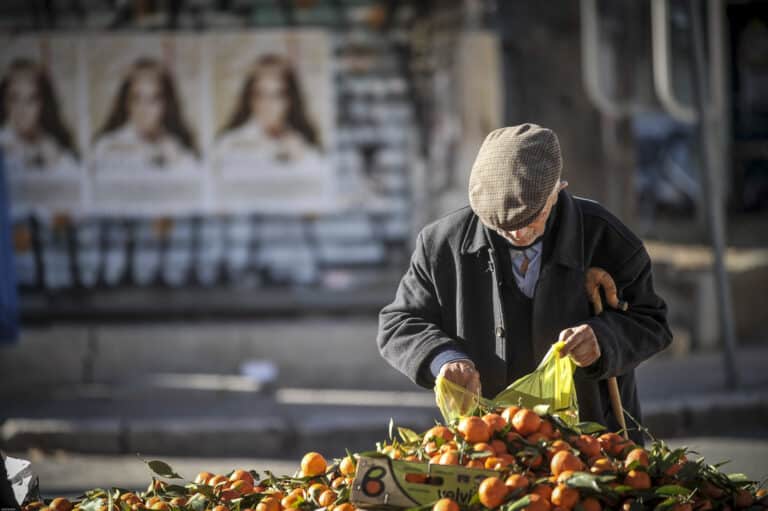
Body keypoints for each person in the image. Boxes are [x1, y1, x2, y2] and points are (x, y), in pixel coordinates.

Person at [377, 124, 672, 444]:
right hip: (488, 444)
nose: (519, 233)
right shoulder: (442, 243)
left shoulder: (603, 234)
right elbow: (399, 323)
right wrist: (444, 359)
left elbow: (652, 321)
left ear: (557, 190)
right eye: (503, 226)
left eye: (533, 217)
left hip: (592, 441)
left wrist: (603, 339)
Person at [214, 54, 322, 171]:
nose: (267, 104)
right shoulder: (229, 143)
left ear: (290, 100)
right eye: (260, 95)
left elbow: (321, 170)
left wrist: (301, 159)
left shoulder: (304, 145)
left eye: (276, 95)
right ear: (249, 99)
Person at [91, 57, 198, 173]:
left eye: (153, 100)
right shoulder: (106, 147)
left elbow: (196, 173)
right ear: (126, 103)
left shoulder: (178, 148)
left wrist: (174, 159)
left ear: (166, 104)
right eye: (137, 99)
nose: (144, 109)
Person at [0, 58, 79, 175]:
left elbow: (76, 176)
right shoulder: (3, 143)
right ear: (4, 102)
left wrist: (54, 161)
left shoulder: (54, 147)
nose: (22, 109)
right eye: (14, 99)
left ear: (43, 104)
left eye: (31, 99)